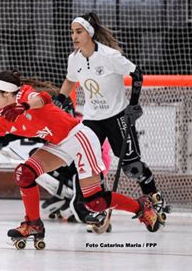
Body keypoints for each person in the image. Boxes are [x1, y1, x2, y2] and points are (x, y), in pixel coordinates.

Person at [0, 70, 163, 246]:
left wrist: (25, 106)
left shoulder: (24, 97)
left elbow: (44, 98)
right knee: (25, 173)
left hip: (79, 138)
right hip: (58, 145)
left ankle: (141, 206)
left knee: (94, 202)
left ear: (7, 93)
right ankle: (33, 224)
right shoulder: (4, 117)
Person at [54, 12, 169, 226]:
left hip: (117, 116)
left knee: (132, 166)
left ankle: (154, 200)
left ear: (89, 33)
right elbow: (70, 80)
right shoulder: (74, 58)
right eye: (72, 32)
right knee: (87, 164)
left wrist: (134, 103)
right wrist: (60, 100)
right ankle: (94, 207)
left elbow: (137, 73)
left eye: (78, 32)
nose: (74, 36)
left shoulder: (109, 56)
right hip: (92, 119)